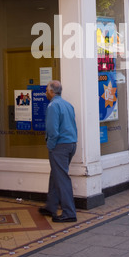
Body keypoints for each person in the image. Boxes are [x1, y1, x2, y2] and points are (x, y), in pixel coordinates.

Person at [39, 80, 78, 223]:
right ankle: (51, 206)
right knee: (56, 175)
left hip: (60, 146)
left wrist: (50, 146)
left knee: (62, 179)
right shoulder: (68, 105)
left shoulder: (53, 106)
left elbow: (52, 130)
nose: (45, 93)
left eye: (46, 90)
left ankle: (69, 213)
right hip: (71, 144)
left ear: (51, 92)